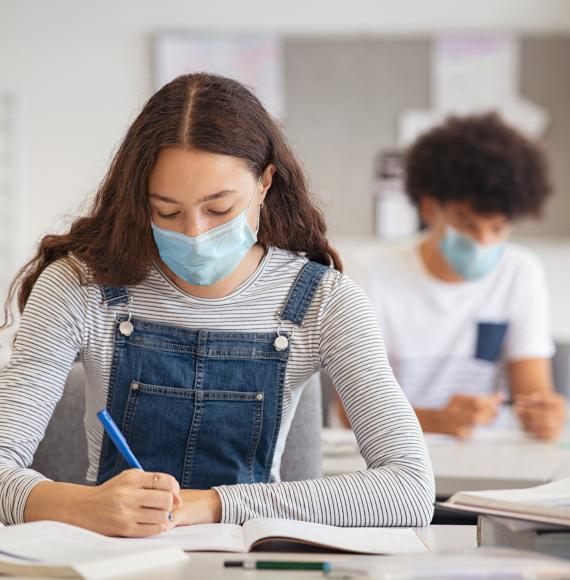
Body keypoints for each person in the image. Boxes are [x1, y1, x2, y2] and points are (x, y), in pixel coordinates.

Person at [0, 73, 434, 536]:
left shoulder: (325, 301)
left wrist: (209, 505)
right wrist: (80, 505)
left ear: (265, 182)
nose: (194, 233)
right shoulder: (78, 286)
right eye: (166, 211)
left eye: (220, 209)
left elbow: (408, 487)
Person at [340, 113, 566, 440]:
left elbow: (533, 394)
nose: (484, 242)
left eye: (498, 228)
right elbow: (352, 412)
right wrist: (438, 420)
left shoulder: (520, 273)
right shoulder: (369, 274)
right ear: (431, 209)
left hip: (484, 460)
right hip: (389, 459)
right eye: (468, 224)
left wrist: (544, 415)